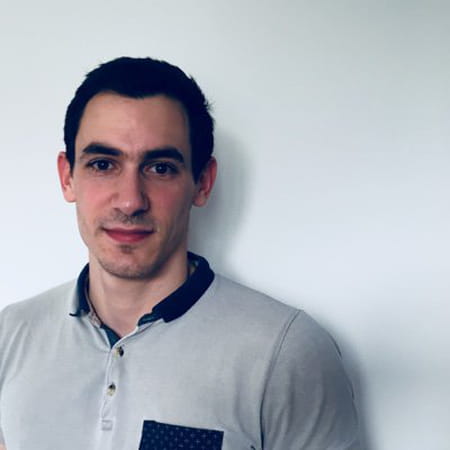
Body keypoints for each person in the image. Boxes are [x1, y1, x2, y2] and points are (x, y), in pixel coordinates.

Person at [0, 57, 360, 450]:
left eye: (160, 168)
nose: (130, 201)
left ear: (202, 182)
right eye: (103, 164)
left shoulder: (286, 352)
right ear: (67, 176)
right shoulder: (9, 336)